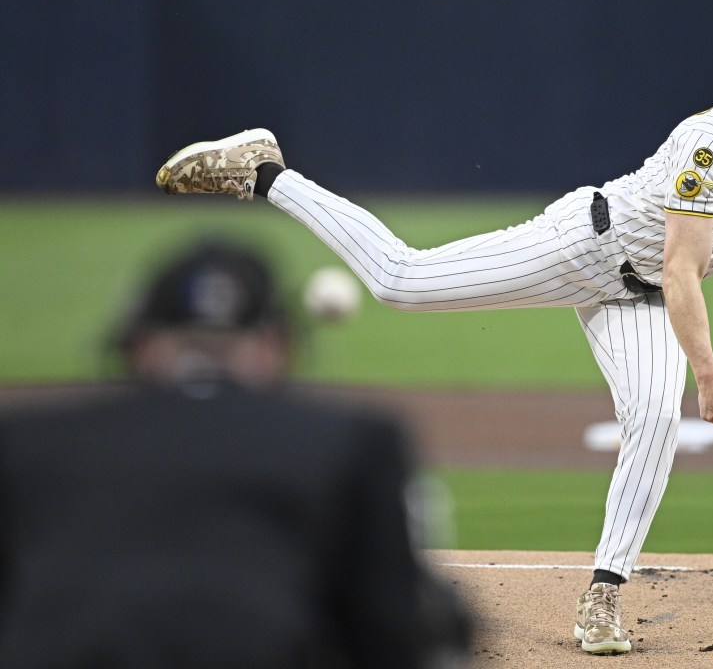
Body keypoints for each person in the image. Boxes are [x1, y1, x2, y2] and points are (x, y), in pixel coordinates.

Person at [155, 4, 713, 654]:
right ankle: (266, 171)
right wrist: (710, 374)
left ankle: (605, 594)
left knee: (656, 419)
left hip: (642, 299)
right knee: (401, 281)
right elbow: (681, 267)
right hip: (588, 246)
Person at [0, 241, 469, 668]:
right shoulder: (352, 443)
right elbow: (394, 633)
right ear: (276, 347)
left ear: (136, 345)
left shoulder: (22, 442)